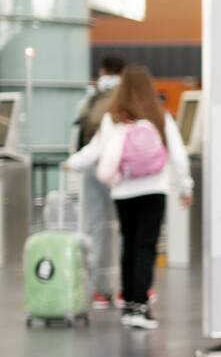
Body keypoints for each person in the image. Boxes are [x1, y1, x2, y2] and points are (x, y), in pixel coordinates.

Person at [64, 65, 192, 330]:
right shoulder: (160, 116)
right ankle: (139, 306)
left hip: (123, 191)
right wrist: (185, 187)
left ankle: (128, 303)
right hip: (155, 190)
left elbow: (94, 150)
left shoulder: (114, 119)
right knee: (146, 246)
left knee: (130, 244)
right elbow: (178, 156)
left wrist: (72, 163)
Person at [74, 55, 125, 308]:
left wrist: (75, 161)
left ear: (102, 70)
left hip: (93, 167)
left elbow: (80, 123)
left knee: (94, 227)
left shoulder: (94, 94)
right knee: (125, 229)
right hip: (119, 170)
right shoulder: (126, 95)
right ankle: (126, 289)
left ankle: (96, 290)